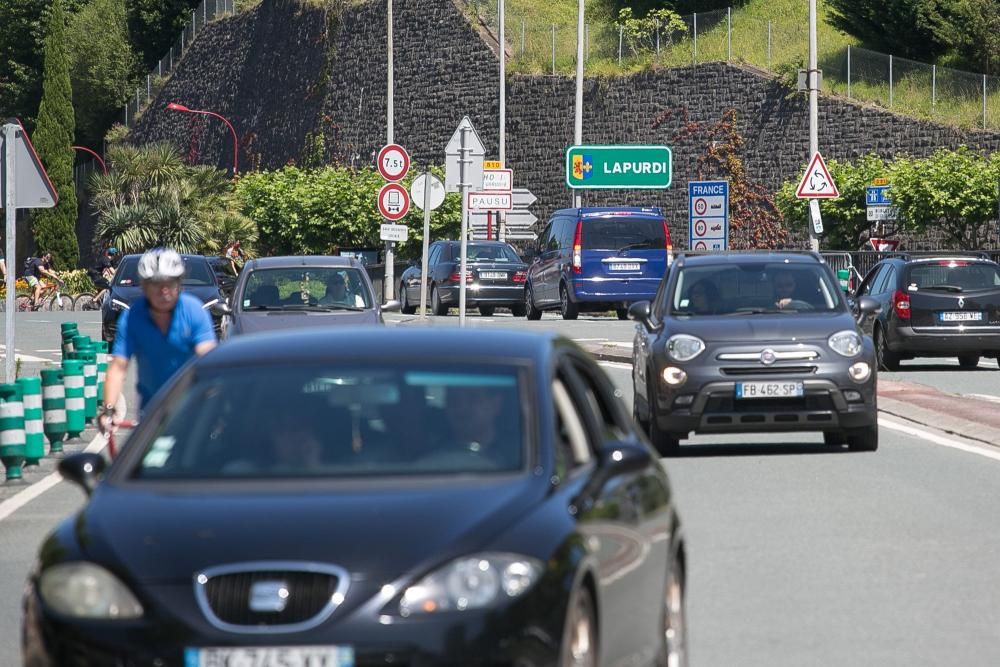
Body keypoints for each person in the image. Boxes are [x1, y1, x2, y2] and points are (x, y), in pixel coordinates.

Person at [98, 248, 217, 433]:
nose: (164, 290)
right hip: (152, 413)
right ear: (144, 286)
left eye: (170, 283)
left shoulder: (194, 311)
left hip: (193, 409)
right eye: (156, 284)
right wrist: (108, 410)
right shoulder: (133, 318)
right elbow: (118, 368)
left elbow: (209, 361)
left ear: (179, 284)